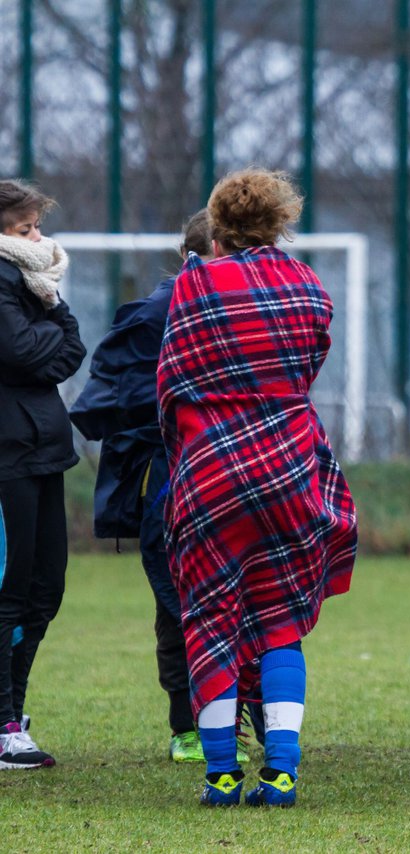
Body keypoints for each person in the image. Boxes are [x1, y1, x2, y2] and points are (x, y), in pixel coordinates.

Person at [157, 169, 358, 807]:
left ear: (216, 227)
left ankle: (220, 775)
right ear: (279, 224)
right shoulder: (306, 284)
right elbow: (310, 362)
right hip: (291, 467)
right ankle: (283, 773)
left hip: (213, 472)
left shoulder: (193, 284)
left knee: (210, 620)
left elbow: (171, 380)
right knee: (278, 624)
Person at [70, 209, 254, 766]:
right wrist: (176, 422)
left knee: (245, 596)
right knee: (181, 600)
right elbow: (103, 402)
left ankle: (248, 715)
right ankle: (189, 724)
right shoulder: (157, 312)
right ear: (194, 256)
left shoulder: (250, 307)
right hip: (175, 475)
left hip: (237, 472)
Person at [0, 179, 85, 770]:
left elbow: (72, 347)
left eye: (37, 226)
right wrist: (48, 340)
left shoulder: (39, 285)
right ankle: (3, 724)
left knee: (45, 588)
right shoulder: (9, 284)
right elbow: (27, 353)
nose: (37, 237)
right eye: (25, 228)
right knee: (8, 590)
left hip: (44, 447)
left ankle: (14, 714)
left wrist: (49, 334)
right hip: (7, 454)